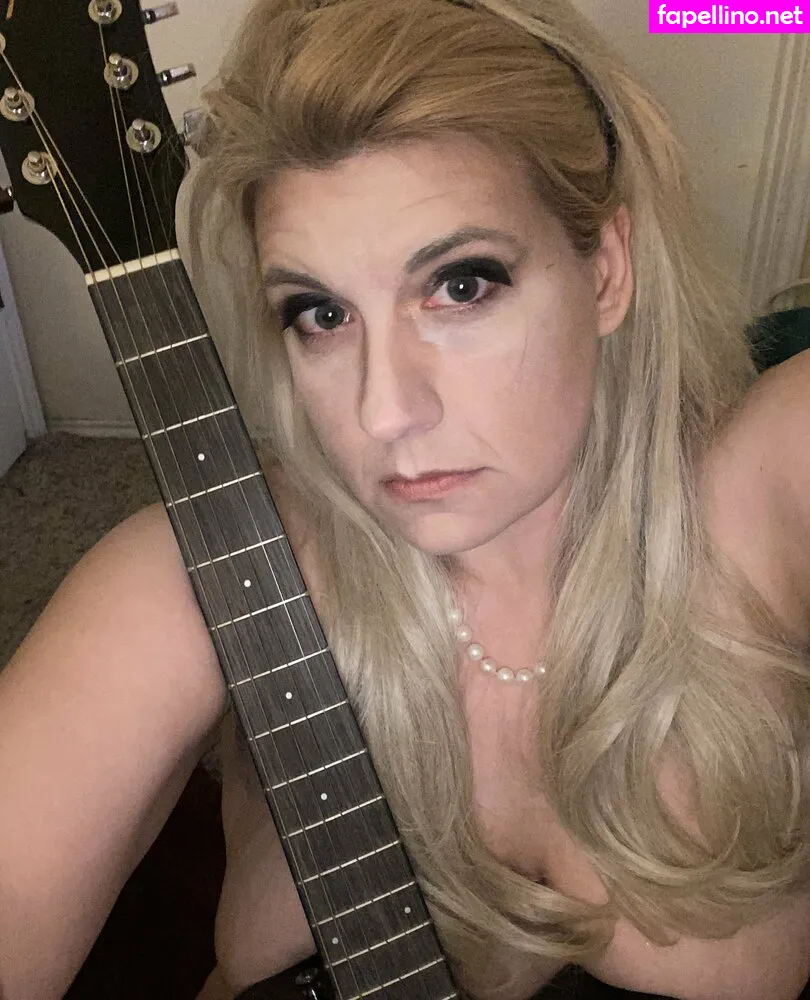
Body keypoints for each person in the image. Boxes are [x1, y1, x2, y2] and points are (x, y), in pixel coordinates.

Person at [2, 0, 810, 998]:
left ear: (605, 270)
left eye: (461, 287)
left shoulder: (762, 492)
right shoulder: (222, 564)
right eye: (320, 313)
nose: (383, 410)